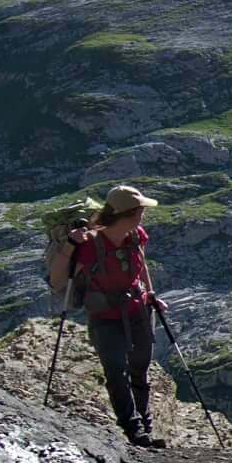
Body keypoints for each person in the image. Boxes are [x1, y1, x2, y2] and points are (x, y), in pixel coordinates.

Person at [54, 184, 163, 446]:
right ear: (130, 213)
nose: (143, 214)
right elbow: (58, 279)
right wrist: (70, 245)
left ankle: (145, 426)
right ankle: (133, 429)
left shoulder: (136, 235)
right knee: (115, 370)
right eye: (140, 210)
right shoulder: (90, 245)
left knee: (140, 367)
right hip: (104, 314)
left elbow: (141, 264)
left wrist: (150, 293)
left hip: (137, 307)